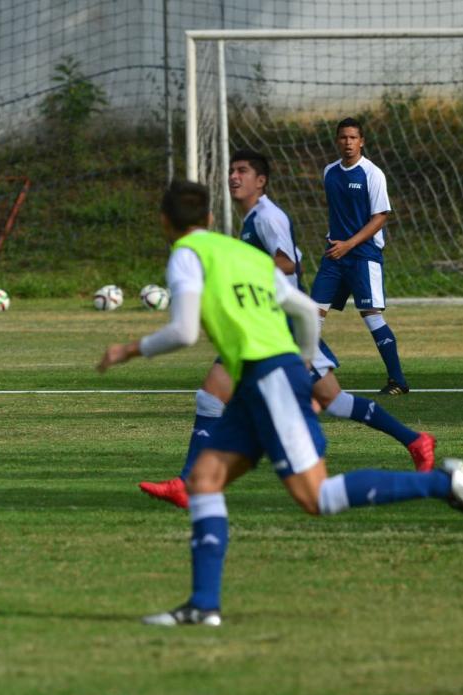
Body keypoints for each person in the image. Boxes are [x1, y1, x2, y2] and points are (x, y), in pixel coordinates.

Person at [98, 180, 463, 626]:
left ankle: (444, 484)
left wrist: (129, 350)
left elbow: (185, 332)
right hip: (263, 379)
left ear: (164, 223)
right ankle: (202, 606)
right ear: (210, 218)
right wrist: (304, 367)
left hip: (266, 378)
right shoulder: (245, 254)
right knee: (205, 481)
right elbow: (305, 311)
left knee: (316, 497)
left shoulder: (187, 256)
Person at [139, 150, 435, 510]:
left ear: (260, 181)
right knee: (334, 401)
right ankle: (415, 441)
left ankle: (189, 482)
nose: (234, 177)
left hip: (279, 326)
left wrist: (241, 271)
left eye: (242, 171)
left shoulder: (267, 216)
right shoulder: (253, 219)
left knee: (216, 397)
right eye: (231, 171)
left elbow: (288, 262)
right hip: (269, 324)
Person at [311, 117, 409, 395]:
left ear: (362, 141)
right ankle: (319, 369)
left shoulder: (372, 174)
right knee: (309, 317)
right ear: (337, 140)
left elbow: (380, 217)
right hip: (334, 255)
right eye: (343, 137)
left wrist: (349, 244)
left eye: (353, 138)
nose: (348, 143)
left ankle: (398, 381)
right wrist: (337, 243)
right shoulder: (329, 171)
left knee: (371, 316)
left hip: (363, 255)